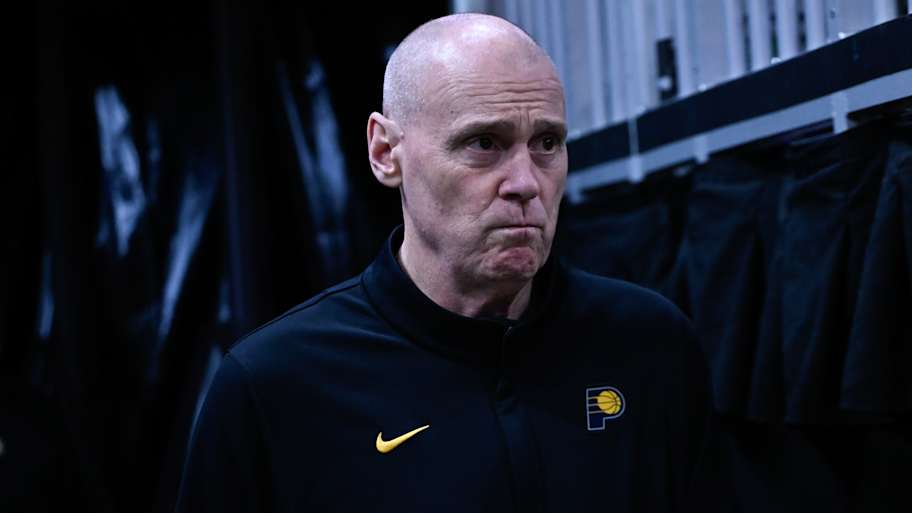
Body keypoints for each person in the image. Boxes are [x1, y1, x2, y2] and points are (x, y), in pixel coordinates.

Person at [175, 13, 721, 513]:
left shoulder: (648, 345)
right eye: (484, 143)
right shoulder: (275, 386)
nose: (526, 183)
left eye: (547, 142)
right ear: (386, 153)